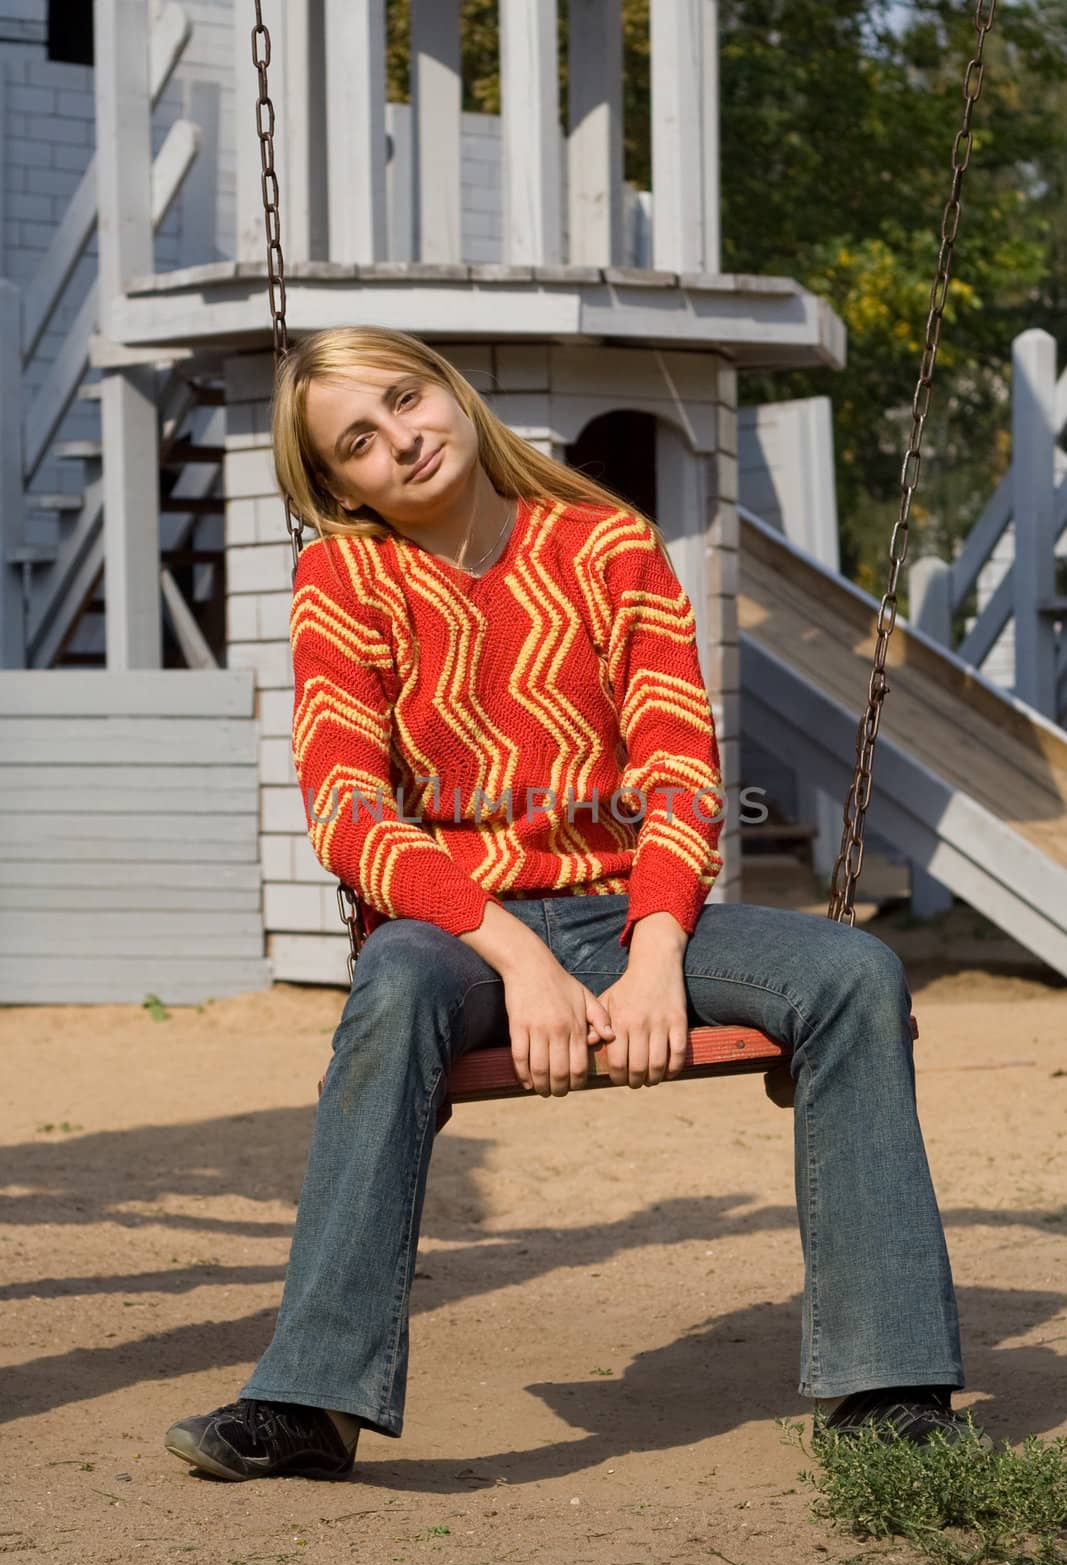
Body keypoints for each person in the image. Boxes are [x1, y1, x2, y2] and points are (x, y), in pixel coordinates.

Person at [164, 327, 974, 1482]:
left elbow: (680, 774)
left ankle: (886, 1387)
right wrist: (515, 959)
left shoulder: (605, 544)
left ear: (449, 390)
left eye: (405, 398)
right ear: (337, 484)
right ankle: (307, 1401)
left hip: (621, 903)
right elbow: (347, 811)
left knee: (852, 973)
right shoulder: (341, 579)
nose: (400, 438)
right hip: (454, 930)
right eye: (358, 440)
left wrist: (650, 957)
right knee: (392, 983)